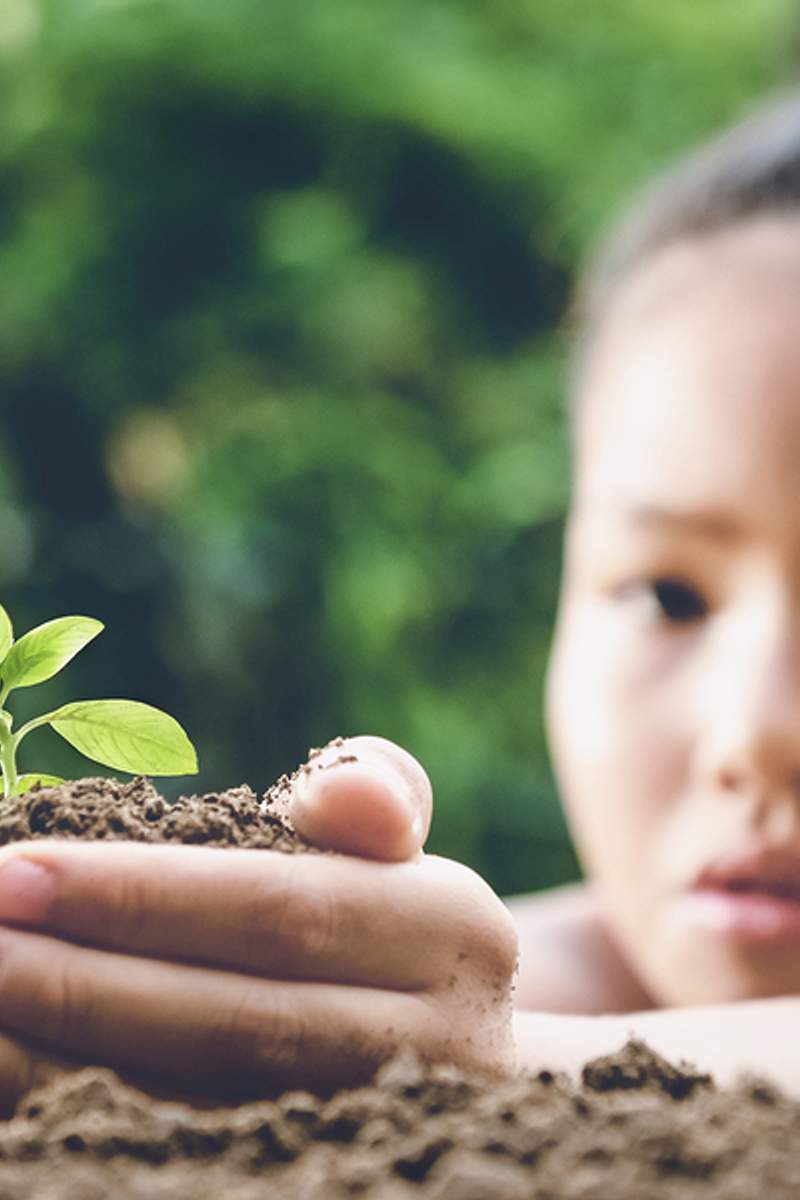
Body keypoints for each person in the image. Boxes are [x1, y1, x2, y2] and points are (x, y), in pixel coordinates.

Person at [2, 86, 800, 1110]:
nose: (753, 735)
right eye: (667, 593)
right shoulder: (541, 969)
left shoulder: (510, 1029)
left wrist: (491, 1061)